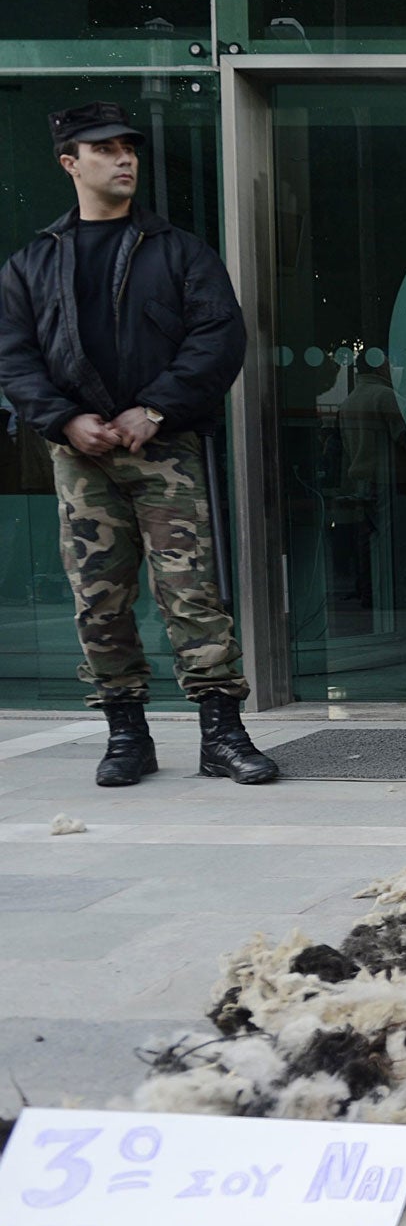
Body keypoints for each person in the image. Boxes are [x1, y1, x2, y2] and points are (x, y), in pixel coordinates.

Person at [0, 101, 277, 786]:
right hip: (79, 455)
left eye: (129, 147)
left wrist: (156, 407)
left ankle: (222, 734)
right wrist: (64, 420)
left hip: (166, 447)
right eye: (105, 149)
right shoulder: (33, 261)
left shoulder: (178, 250)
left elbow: (220, 338)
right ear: (71, 163)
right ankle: (126, 734)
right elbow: (13, 357)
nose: (124, 158)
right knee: (98, 595)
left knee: (191, 592)